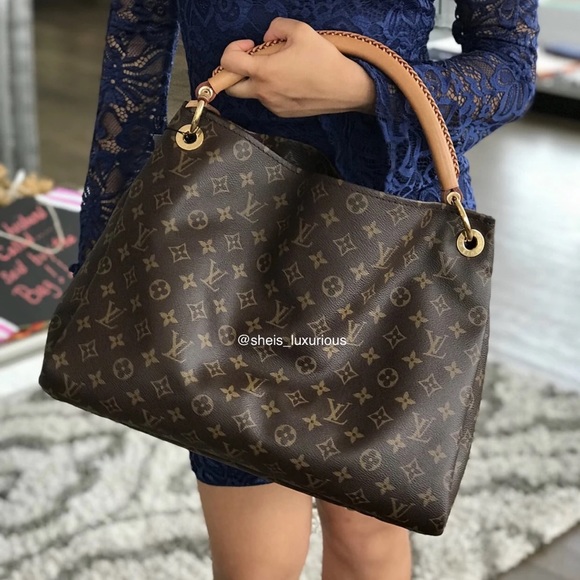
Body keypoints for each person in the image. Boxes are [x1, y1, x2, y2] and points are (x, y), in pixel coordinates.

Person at [72, 1, 539, 579]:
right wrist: (104, 257)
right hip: (223, 237)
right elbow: (135, 48)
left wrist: (362, 88)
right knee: (254, 560)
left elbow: (509, 65)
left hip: (391, 241)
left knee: (367, 537)